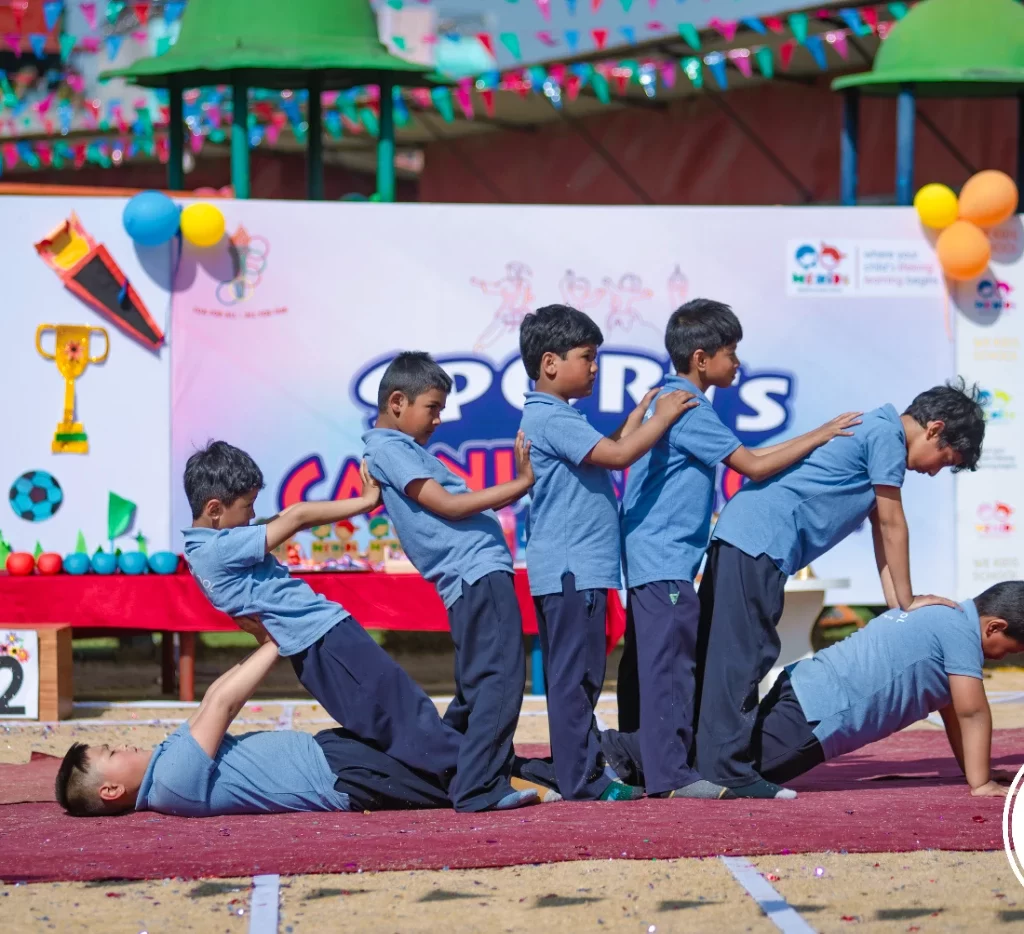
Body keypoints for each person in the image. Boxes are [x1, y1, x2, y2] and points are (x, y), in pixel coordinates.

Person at [616, 298, 862, 800]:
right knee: (671, 669)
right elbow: (753, 465)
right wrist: (821, 435)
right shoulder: (688, 407)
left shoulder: (672, 400)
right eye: (730, 352)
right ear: (701, 358)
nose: (737, 363)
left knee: (649, 664)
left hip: (652, 559)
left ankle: (641, 763)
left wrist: (811, 439)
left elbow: (751, 456)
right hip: (665, 560)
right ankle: (671, 776)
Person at [694, 378, 986, 799]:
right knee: (742, 656)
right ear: (934, 428)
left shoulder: (877, 432)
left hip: (752, 540)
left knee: (734, 652)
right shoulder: (886, 435)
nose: (934, 470)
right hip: (759, 542)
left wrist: (898, 607)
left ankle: (709, 761)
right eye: (944, 458)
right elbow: (893, 523)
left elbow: (879, 532)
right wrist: (909, 600)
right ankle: (726, 771)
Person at [180, 440, 462, 788]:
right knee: (398, 708)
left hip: (314, 647)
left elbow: (289, 515)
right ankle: (473, 776)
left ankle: (457, 773)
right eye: (247, 506)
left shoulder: (198, 550)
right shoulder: (221, 549)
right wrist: (366, 502)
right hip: (325, 638)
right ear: (214, 509)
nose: (252, 516)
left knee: (385, 717)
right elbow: (297, 517)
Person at [601, 581, 1024, 799]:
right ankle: (599, 753)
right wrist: (981, 786)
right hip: (817, 715)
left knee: (716, 758)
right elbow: (972, 712)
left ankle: (606, 756)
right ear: (994, 627)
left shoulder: (945, 617)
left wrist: (978, 772)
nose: (1000, 659)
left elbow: (953, 712)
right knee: (722, 770)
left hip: (808, 691)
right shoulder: (960, 632)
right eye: (1009, 651)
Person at [517, 304, 697, 802]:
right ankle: (583, 780)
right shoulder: (552, 417)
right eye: (587, 357)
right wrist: (663, 418)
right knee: (576, 679)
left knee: (578, 677)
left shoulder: (554, 417)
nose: (595, 368)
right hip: (574, 572)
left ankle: (577, 771)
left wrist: (635, 420)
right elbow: (617, 456)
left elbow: (605, 447)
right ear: (550, 363)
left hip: (573, 571)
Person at [362, 352, 538, 812]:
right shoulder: (390, 449)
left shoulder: (393, 450)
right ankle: (479, 786)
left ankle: (443, 770)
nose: (438, 419)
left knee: (477, 685)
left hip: (471, 577)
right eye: (432, 407)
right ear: (397, 402)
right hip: (474, 572)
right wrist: (522, 483)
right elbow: (451, 506)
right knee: (500, 679)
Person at [54, 621, 452, 817]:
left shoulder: (163, 760)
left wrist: (264, 641)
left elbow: (211, 699)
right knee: (454, 781)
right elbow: (224, 706)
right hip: (345, 777)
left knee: (441, 749)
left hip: (330, 752)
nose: (123, 744)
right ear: (111, 790)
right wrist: (277, 641)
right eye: (111, 752)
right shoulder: (171, 783)